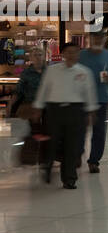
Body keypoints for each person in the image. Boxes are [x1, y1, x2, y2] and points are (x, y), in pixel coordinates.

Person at [32, 41, 97, 189]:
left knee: (72, 146)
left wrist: (91, 111)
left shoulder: (84, 72)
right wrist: (37, 108)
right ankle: (47, 165)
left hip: (76, 111)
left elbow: (90, 93)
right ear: (62, 54)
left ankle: (69, 178)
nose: (72, 55)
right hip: (54, 111)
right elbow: (43, 90)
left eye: (75, 52)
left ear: (79, 54)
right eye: (68, 52)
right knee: (52, 142)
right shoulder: (52, 71)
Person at [77, 30, 108, 173]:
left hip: (101, 98)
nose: (97, 40)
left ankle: (94, 161)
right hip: (82, 99)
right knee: (80, 129)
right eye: (94, 37)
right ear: (89, 39)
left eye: (100, 38)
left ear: (104, 39)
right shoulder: (81, 55)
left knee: (99, 131)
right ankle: (77, 155)